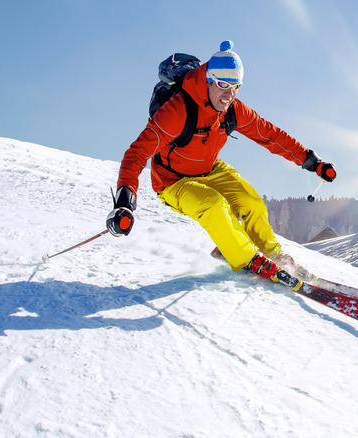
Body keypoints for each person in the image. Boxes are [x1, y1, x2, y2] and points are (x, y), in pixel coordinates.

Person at [106, 41, 336, 284]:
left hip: (209, 169)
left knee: (252, 202)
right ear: (208, 80)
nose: (229, 94)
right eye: (223, 85)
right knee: (213, 205)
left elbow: (271, 135)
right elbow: (137, 153)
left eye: (235, 87)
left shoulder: (232, 109)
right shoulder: (178, 110)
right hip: (173, 180)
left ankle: (272, 254)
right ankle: (247, 260)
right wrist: (124, 201)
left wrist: (312, 162)